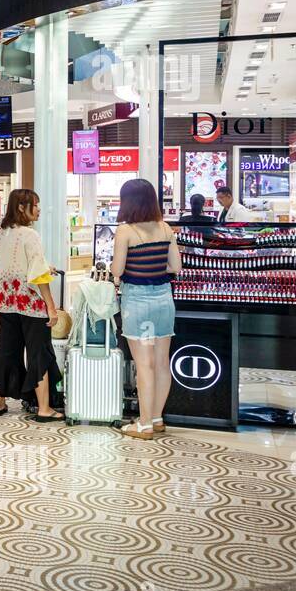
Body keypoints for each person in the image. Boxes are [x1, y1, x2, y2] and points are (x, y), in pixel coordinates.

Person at [112, 178, 181, 440]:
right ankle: (156, 417)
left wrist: (121, 270)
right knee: (162, 363)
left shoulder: (125, 231)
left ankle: (143, 425)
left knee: (144, 365)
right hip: (164, 299)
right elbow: (175, 267)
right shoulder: (165, 228)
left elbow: (118, 270)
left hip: (137, 302)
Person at [0, 189, 63, 421]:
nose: (39, 209)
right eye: (35, 205)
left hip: (6, 301)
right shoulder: (30, 235)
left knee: (8, 351)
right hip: (29, 302)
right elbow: (38, 274)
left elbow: (12, 267)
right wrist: (51, 306)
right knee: (39, 352)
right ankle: (44, 409)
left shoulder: (4, 233)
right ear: (21, 207)